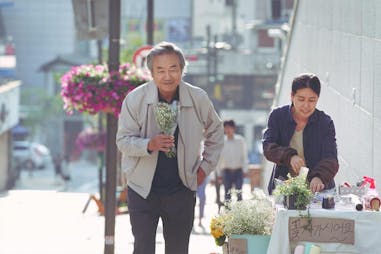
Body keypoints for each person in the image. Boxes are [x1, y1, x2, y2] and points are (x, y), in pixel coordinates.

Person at [116, 41, 224, 254]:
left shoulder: (197, 98)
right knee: (143, 249)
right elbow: (123, 141)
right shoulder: (135, 99)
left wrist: (204, 169)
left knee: (178, 249)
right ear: (151, 72)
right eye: (161, 70)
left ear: (182, 69)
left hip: (181, 188)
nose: (168, 76)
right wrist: (149, 144)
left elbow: (216, 133)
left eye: (173, 69)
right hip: (142, 189)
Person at [262, 73, 339, 195]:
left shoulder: (325, 122)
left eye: (312, 100)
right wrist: (289, 156)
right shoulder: (278, 116)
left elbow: (331, 159)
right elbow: (268, 147)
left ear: (317, 98)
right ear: (292, 96)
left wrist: (319, 176)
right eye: (301, 99)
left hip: (318, 190)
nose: (306, 105)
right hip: (285, 188)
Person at [218, 119, 248, 202]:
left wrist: (245, 170)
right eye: (226, 128)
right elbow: (219, 159)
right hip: (226, 171)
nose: (227, 130)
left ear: (234, 128)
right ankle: (228, 214)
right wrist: (218, 174)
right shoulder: (221, 142)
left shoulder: (240, 141)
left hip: (238, 171)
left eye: (229, 128)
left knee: (239, 194)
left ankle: (240, 214)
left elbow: (244, 156)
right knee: (227, 195)